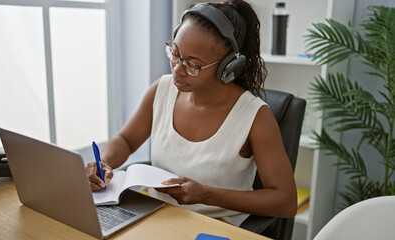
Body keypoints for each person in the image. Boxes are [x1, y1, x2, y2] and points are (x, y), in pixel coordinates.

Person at [85, 0, 297, 226]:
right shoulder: (162, 90)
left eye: (192, 64)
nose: (176, 69)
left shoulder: (255, 117)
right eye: (175, 53)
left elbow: (285, 202)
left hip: (213, 229)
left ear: (229, 67)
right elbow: (126, 140)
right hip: (153, 219)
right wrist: (103, 163)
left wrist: (207, 194)